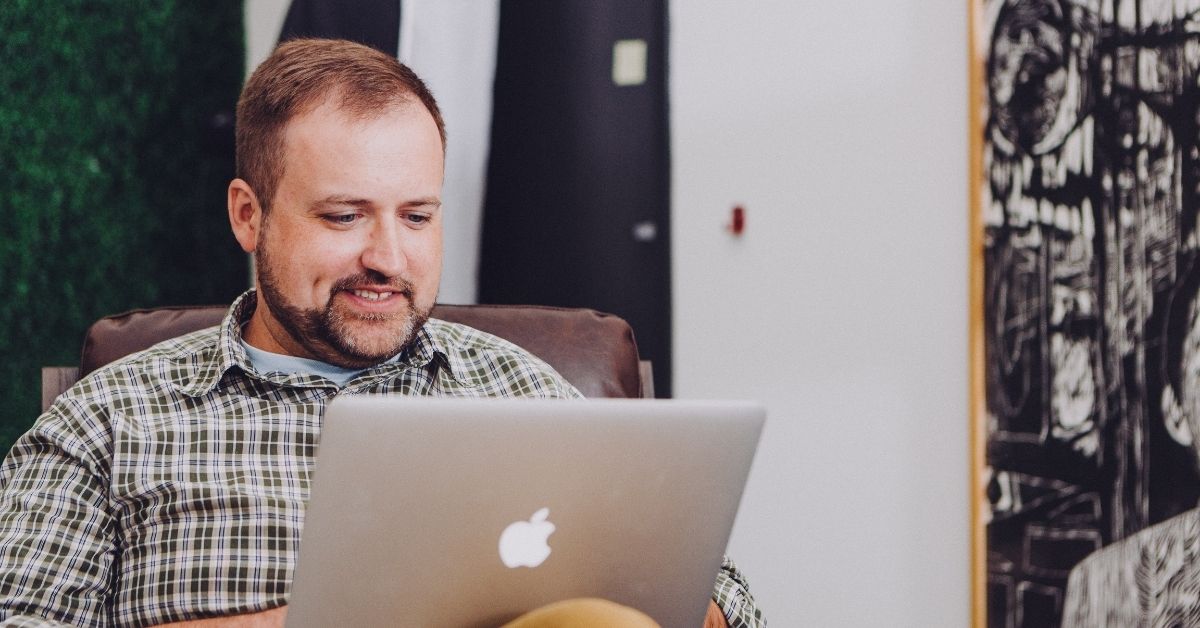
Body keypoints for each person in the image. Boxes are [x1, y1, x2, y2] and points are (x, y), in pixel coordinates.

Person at [0, 39, 765, 627]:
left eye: (417, 217)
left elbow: (728, 600)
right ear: (248, 214)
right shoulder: (107, 421)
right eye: (344, 216)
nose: (387, 259)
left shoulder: (526, 389)